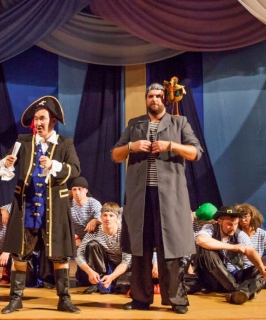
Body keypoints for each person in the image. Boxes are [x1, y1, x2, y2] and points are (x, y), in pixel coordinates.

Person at [111, 82, 203, 315]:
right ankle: (141, 298)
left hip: (169, 197)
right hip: (140, 195)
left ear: (165, 99)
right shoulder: (135, 124)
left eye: (159, 96)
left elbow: (196, 152)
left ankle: (176, 299)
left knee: (170, 248)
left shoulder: (179, 123)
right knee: (140, 248)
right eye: (151, 96)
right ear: (146, 99)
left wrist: (170, 145)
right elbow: (116, 155)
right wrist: (131, 146)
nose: (154, 99)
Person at [0, 95, 81, 314]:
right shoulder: (23, 142)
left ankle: (64, 299)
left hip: (54, 208)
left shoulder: (64, 143)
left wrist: (54, 165)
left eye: (42, 118)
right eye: (36, 119)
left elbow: (75, 170)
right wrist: (6, 163)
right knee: (20, 254)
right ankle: (16, 299)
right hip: (26, 207)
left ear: (53, 121)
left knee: (59, 254)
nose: (38, 123)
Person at [195, 206, 266, 305]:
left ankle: (241, 293)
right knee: (206, 250)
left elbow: (250, 250)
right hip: (214, 278)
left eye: (235, 224)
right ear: (219, 221)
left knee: (258, 270)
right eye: (229, 224)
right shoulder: (210, 228)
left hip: (234, 274)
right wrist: (233, 247)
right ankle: (240, 289)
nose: (233, 228)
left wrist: (261, 267)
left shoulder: (239, 234)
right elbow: (201, 240)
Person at [75, 202, 132, 295]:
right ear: (101, 217)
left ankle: (111, 282)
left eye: (111, 216)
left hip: (123, 267)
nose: (107, 218)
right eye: (105, 215)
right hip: (107, 265)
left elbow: (127, 261)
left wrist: (112, 277)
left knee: (122, 289)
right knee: (92, 245)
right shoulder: (95, 231)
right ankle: (98, 281)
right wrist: (90, 272)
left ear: (117, 218)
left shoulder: (125, 232)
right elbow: (79, 254)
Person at [70, 176, 102, 247]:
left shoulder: (93, 203)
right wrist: (75, 237)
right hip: (75, 238)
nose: (77, 192)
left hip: (93, 239)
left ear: (86, 190)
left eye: (80, 189)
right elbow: (64, 225)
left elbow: (102, 218)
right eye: (74, 189)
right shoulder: (68, 204)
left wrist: (95, 220)